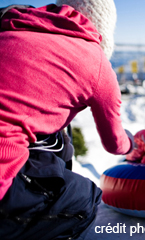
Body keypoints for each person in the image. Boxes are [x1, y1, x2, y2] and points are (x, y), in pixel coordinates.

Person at [0, 1, 133, 239]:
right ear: (103, 33)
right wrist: (132, 144)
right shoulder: (96, 61)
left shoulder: (13, 27)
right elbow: (115, 144)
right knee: (86, 199)